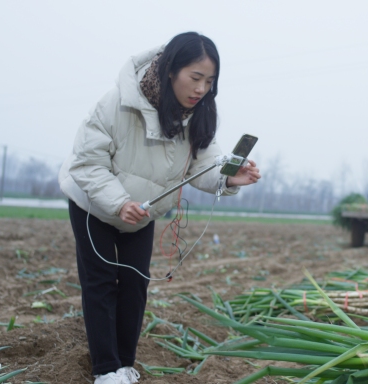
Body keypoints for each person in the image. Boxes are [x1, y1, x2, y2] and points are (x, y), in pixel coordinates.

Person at [58, 32, 261, 384]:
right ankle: (105, 371)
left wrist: (228, 180)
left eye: (209, 82)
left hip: (144, 212)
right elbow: (87, 163)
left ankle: (125, 365)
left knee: (135, 285)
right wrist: (120, 202)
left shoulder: (197, 115)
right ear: (170, 71)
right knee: (101, 284)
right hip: (95, 204)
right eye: (195, 78)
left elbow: (202, 165)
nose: (201, 89)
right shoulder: (117, 103)